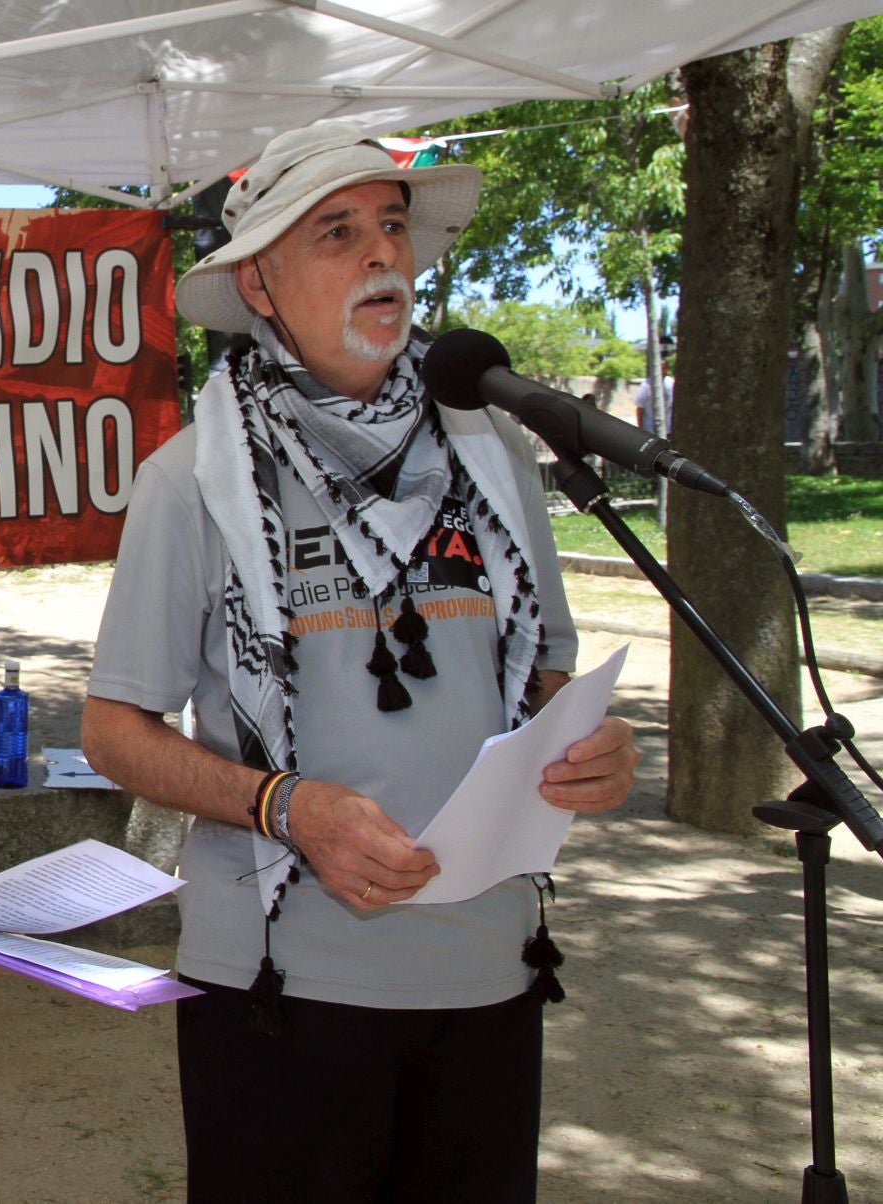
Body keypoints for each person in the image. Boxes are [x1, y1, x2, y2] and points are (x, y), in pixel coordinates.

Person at [80, 121, 639, 1203]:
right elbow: (114, 731)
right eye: (336, 232)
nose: (383, 254)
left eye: (391, 225)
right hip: (281, 984)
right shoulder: (193, 477)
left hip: (489, 970)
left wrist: (593, 745)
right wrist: (288, 805)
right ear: (261, 286)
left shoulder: (494, 450)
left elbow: (545, 678)